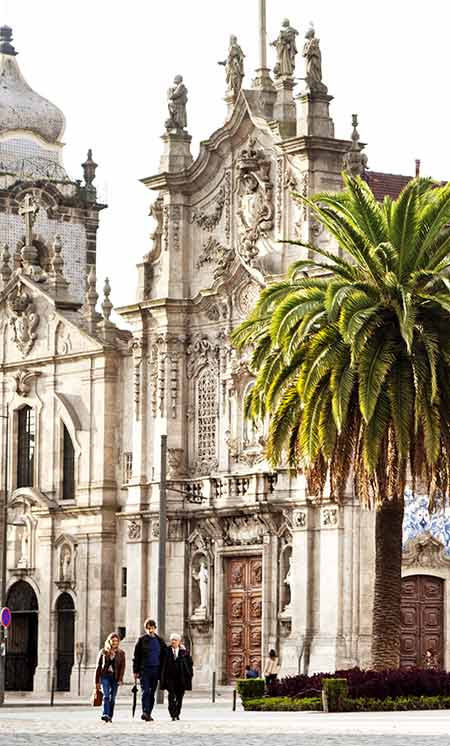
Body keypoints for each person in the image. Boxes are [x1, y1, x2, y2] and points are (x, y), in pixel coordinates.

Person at [133, 618, 167, 722]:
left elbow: (166, 653)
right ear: (146, 629)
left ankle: (148, 713)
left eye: (152, 628)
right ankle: (145, 711)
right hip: (144, 670)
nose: (150, 630)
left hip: (156, 670)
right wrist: (135, 671)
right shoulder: (141, 640)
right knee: (145, 691)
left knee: (152, 692)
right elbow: (136, 656)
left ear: (155, 628)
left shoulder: (160, 641)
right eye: (148, 628)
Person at [160, 633, 193, 721]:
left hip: (181, 678)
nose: (173, 641)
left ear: (179, 642)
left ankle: (177, 712)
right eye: (172, 640)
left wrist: (189, 675)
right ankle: (172, 714)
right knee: (171, 695)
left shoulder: (184, 652)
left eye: (175, 640)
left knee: (179, 697)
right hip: (169, 678)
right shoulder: (166, 651)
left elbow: (190, 664)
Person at [95, 632, 125, 723]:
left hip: (115, 678)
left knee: (113, 698)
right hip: (105, 676)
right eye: (113, 640)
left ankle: (110, 715)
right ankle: (105, 714)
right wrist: (97, 681)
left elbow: (122, 667)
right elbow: (98, 667)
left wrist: (120, 679)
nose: (115, 642)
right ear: (109, 641)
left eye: (116, 641)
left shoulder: (121, 653)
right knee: (106, 696)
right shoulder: (103, 652)